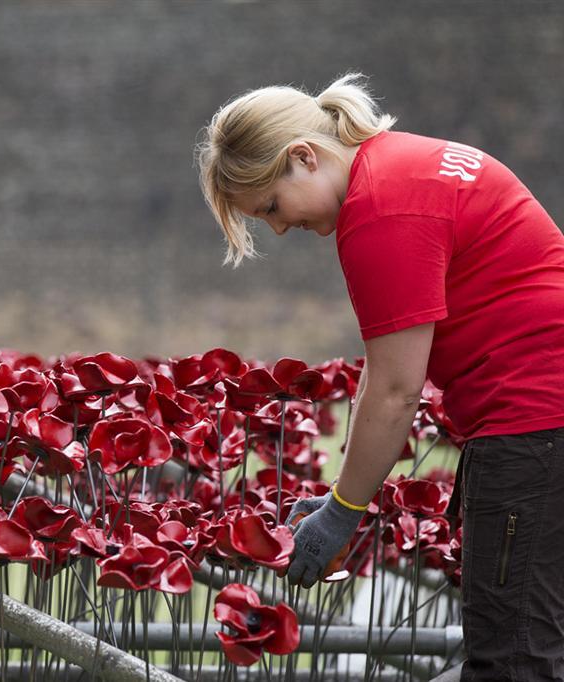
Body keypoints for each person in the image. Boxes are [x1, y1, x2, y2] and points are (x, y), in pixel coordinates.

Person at [194, 72, 564, 681]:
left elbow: (396, 392)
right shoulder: (405, 164)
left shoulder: (379, 210)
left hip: (532, 424)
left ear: (303, 158)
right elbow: (384, 369)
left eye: (270, 208)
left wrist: (343, 514)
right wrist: (342, 495)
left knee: (513, 662)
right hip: (542, 421)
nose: (281, 229)